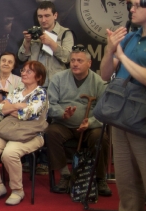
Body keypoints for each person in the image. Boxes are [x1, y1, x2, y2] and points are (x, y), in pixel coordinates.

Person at [99, 0, 146, 211]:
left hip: (143, 116)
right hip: (119, 114)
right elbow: (105, 74)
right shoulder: (130, 37)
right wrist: (111, 51)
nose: (130, 8)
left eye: (136, 4)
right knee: (125, 176)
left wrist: (122, 57)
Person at [0, 61, 48, 206]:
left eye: (29, 71)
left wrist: (11, 109)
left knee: (9, 153)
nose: (23, 73)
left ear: (38, 77)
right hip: (10, 129)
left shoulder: (40, 93)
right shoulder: (16, 91)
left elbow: (31, 113)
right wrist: (17, 106)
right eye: (23, 70)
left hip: (31, 133)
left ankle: (17, 190)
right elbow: (0, 109)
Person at [45, 47, 111, 196]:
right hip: (64, 124)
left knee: (100, 137)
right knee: (51, 133)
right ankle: (65, 175)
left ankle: (100, 178)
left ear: (89, 63)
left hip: (89, 127)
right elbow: (50, 105)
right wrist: (62, 114)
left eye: (79, 61)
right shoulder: (58, 78)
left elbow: (104, 110)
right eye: (73, 60)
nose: (75, 64)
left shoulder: (98, 82)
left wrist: (90, 122)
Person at [18, 0, 73, 87]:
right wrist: (27, 42)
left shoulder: (65, 33)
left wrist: (51, 43)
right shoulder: (34, 32)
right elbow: (21, 58)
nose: (43, 20)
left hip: (56, 84)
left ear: (55, 15)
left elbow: (68, 58)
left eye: (47, 16)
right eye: (40, 16)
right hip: (34, 84)